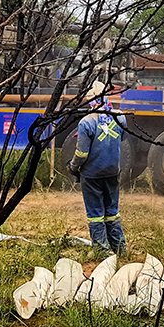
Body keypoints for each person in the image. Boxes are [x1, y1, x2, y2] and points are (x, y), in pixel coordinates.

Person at [68, 81, 127, 254]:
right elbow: (121, 139)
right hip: (112, 172)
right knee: (112, 211)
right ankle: (119, 247)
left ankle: (102, 249)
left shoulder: (86, 123)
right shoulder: (120, 117)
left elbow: (81, 154)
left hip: (92, 175)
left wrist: (73, 167)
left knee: (95, 213)